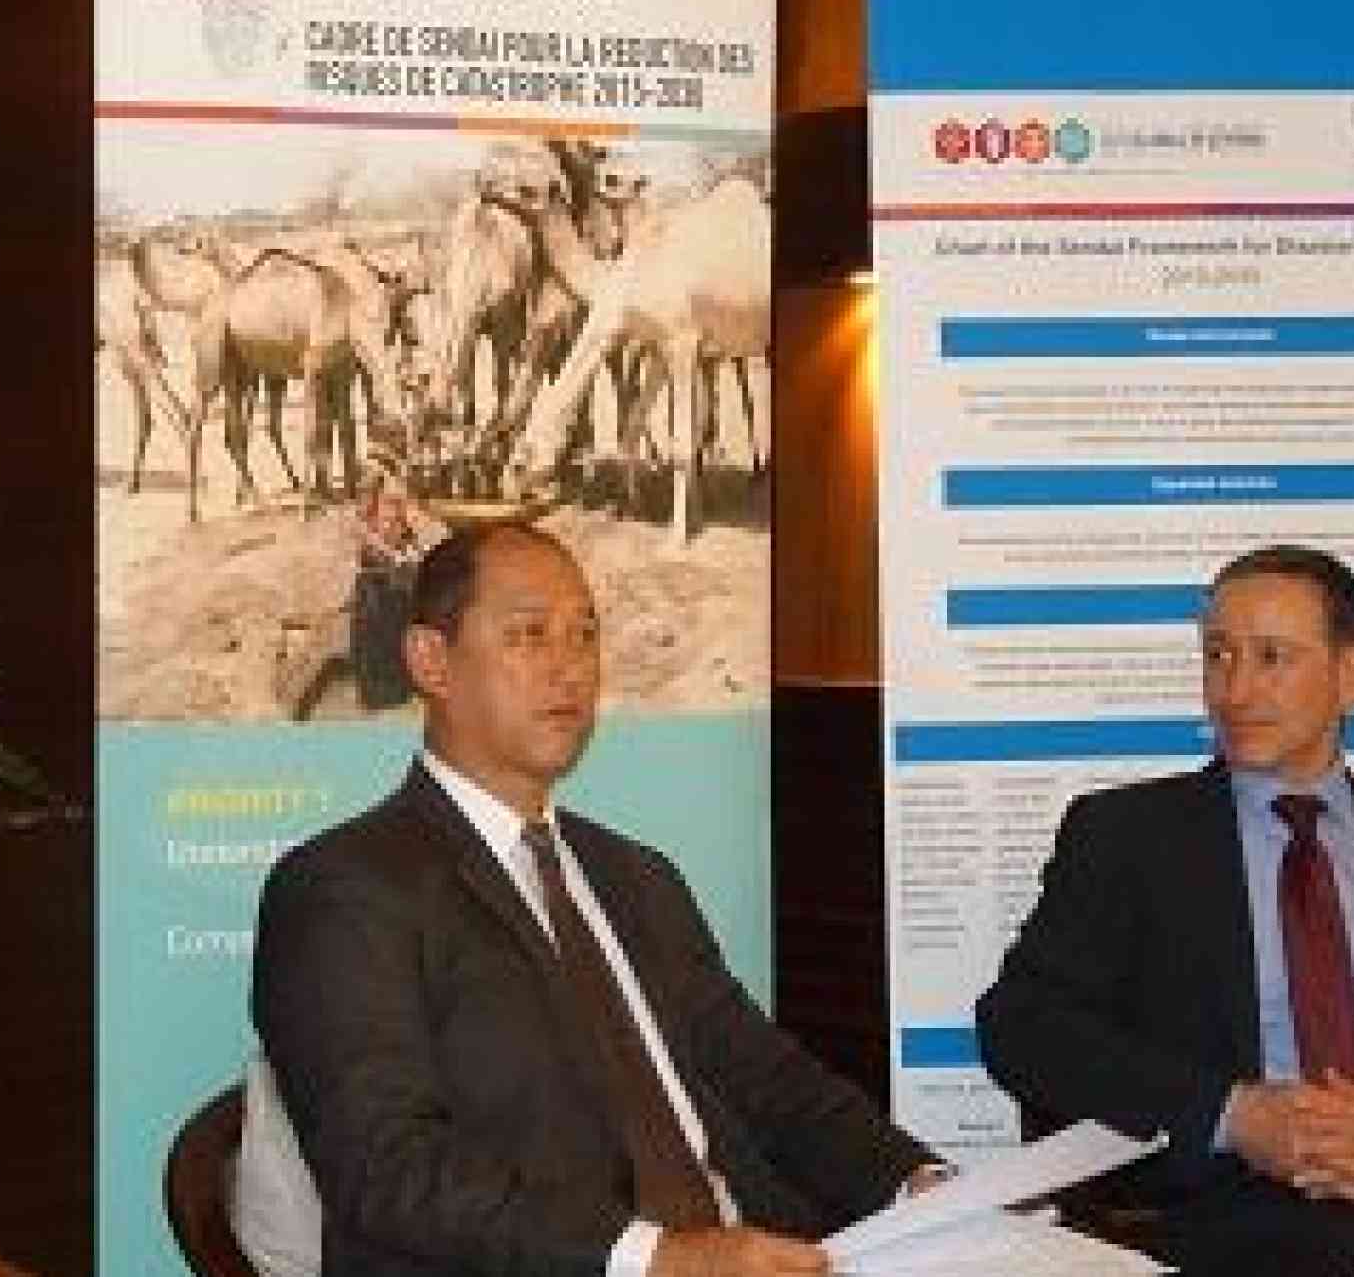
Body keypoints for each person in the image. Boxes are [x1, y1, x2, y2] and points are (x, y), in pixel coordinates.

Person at [253, 523, 940, 1277]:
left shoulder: (636, 877)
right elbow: (388, 1169)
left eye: (585, 635)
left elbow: (772, 1082)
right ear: (430, 660)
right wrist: (656, 1259)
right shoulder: (345, 890)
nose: (569, 668)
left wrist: (913, 1185)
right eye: (528, 635)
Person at [976, 544, 1354, 1276]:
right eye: (1219, 655)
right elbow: (1023, 1023)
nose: (1236, 689)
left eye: (1271, 657)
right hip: (1234, 1199)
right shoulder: (1126, 836)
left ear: (1353, 676)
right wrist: (1235, 1115)